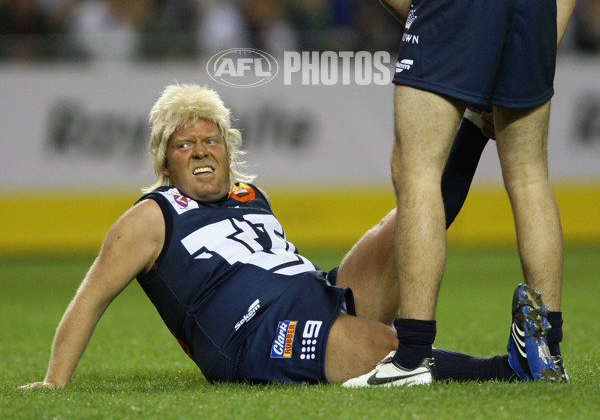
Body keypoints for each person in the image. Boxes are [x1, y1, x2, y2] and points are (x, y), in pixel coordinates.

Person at [20, 83, 560, 390]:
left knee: (403, 226)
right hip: (255, 338)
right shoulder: (151, 217)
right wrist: (52, 384)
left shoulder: (251, 195)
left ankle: (474, 125)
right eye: (184, 145)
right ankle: (512, 369)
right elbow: (90, 298)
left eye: (211, 140)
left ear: (228, 151)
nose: (201, 150)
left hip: (315, 295)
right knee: (386, 351)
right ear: (166, 160)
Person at [353, 0, 581, 386]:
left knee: (417, 171)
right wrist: (521, 53)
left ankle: (411, 356)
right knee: (530, 176)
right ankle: (548, 354)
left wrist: (438, 34)